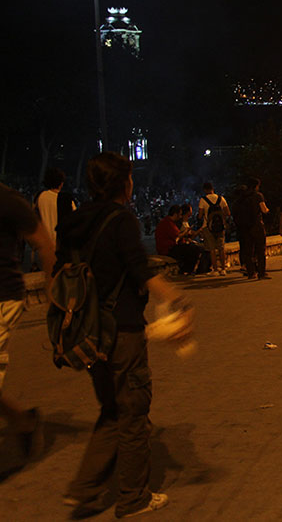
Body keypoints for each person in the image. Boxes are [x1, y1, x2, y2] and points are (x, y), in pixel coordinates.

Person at [57, 152, 194, 518]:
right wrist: (178, 299)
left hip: (86, 332)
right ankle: (133, 498)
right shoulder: (121, 220)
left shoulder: (72, 223)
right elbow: (139, 271)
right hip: (122, 329)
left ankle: (83, 488)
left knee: (112, 408)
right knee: (133, 412)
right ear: (124, 183)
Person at [1, 183, 54, 461]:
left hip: (3, 296)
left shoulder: (8, 199)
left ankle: (23, 422)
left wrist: (52, 293)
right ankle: (22, 421)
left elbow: (44, 244)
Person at [237, 178, 270, 279]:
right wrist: (268, 211)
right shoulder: (258, 196)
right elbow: (264, 210)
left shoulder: (241, 197)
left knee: (248, 251)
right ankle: (261, 273)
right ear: (257, 186)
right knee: (260, 250)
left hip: (245, 227)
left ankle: (251, 273)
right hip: (257, 226)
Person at [197, 182, 230, 276]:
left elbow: (200, 215)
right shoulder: (221, 198)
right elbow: (228, 213)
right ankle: (223, 268)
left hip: (207, 227)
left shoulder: (203, 200)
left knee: (212, 249)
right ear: (213, 188)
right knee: (221, 248)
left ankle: (215, 269)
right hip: (220, 226)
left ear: (205, 190)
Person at [36, 167, 75, 247]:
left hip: (41, 247)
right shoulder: (67, 199)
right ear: (61, 183)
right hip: (59, 247)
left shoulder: (39, 197)